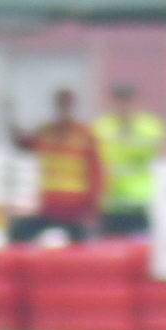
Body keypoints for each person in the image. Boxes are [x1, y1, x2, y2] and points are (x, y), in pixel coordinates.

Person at [13, 90, 102, 246]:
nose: (64, 110)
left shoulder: (84, 135)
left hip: (75, 207)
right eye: (61, 105)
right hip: (48, 205)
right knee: (18, 232)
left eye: (67, 105)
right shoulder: (46, 132)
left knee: (80, 249)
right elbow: (24, 144)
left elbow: (96, 172)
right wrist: (13, 120)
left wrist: (92, 207)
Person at [97, 82, 166, 241]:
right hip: (112, 203)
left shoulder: (150, 128)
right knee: (111, 248)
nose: (124, 106)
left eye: (127, 100)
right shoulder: (101, 128)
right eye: (120, 101)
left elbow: (157, 155)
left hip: (142, 202)